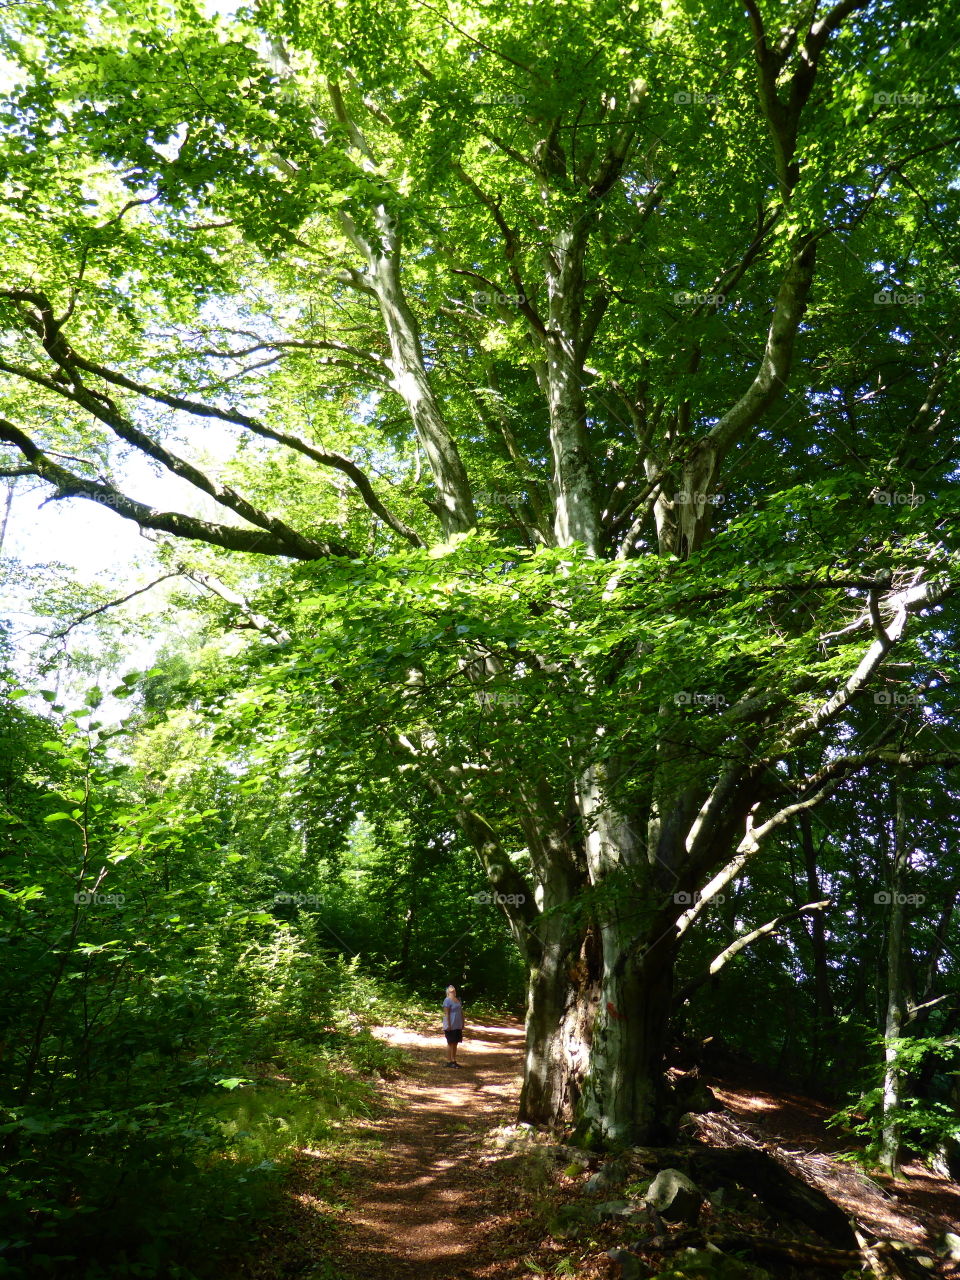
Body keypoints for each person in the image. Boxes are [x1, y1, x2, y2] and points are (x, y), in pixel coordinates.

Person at [442, 984, 464, 1067]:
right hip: (451, 1024)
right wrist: (448, 1024)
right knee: (450, 1042)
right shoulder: (447, 1000)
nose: (453, 990)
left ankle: (454, 1060)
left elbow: (461, 1012)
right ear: (448, 991)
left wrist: (463, 1022)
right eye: (451, 990)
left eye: (454, 989)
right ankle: (449, 1061)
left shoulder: (458, 1000)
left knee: (455, 1043)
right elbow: (446, 1013)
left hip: (457, 1024)